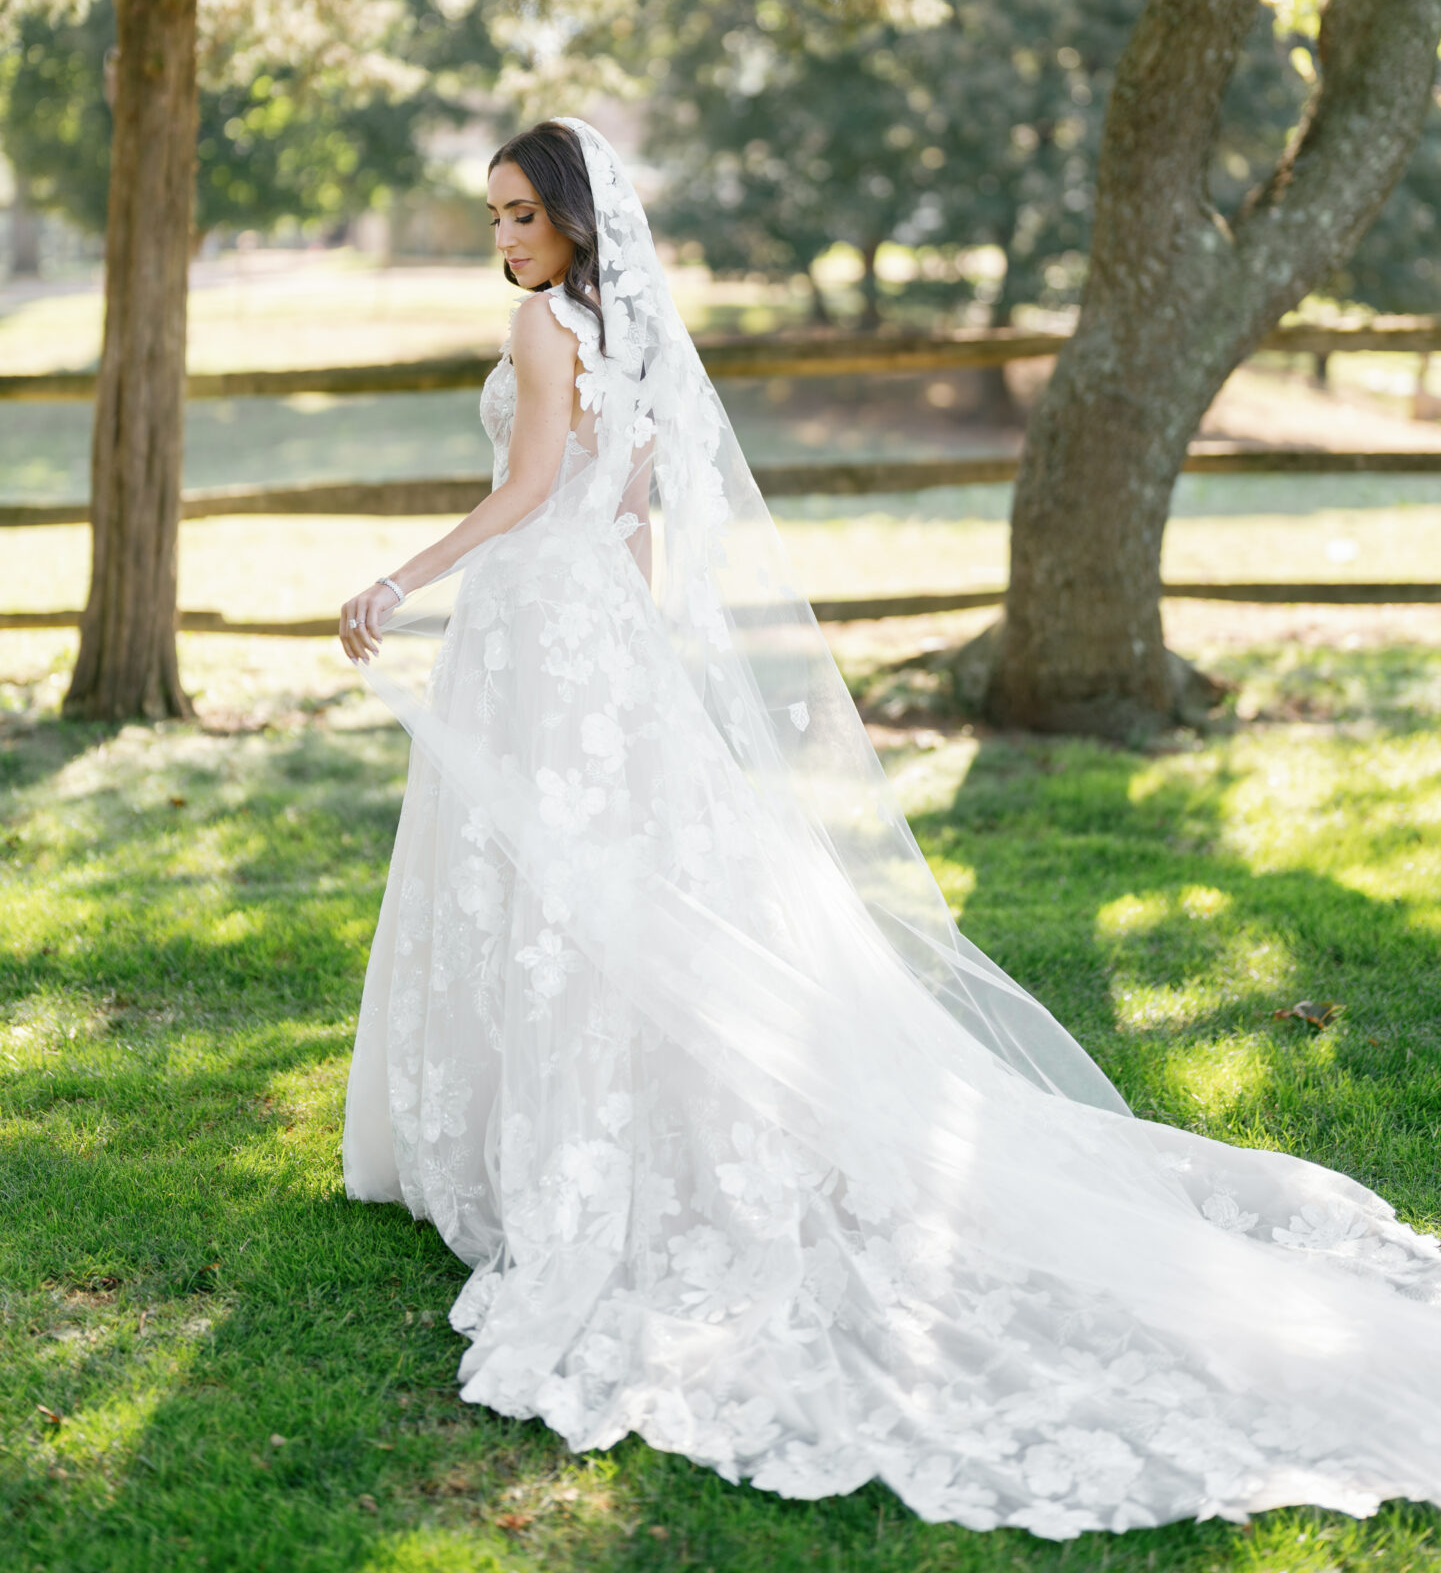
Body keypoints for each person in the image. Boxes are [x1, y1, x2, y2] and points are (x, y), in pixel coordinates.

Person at [339, 117, 1441, 1541]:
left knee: (565, 891)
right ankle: (548, 1122)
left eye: (518, 217)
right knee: (596, 890)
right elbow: (630, 524)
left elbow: (533, 491)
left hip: (541, 636)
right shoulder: (627, 337)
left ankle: (546, 1143)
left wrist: (400, 577)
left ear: (570, 221)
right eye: (493, 219)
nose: (504, 241)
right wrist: (643, 653)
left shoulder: (550, 335)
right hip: (587, 636)